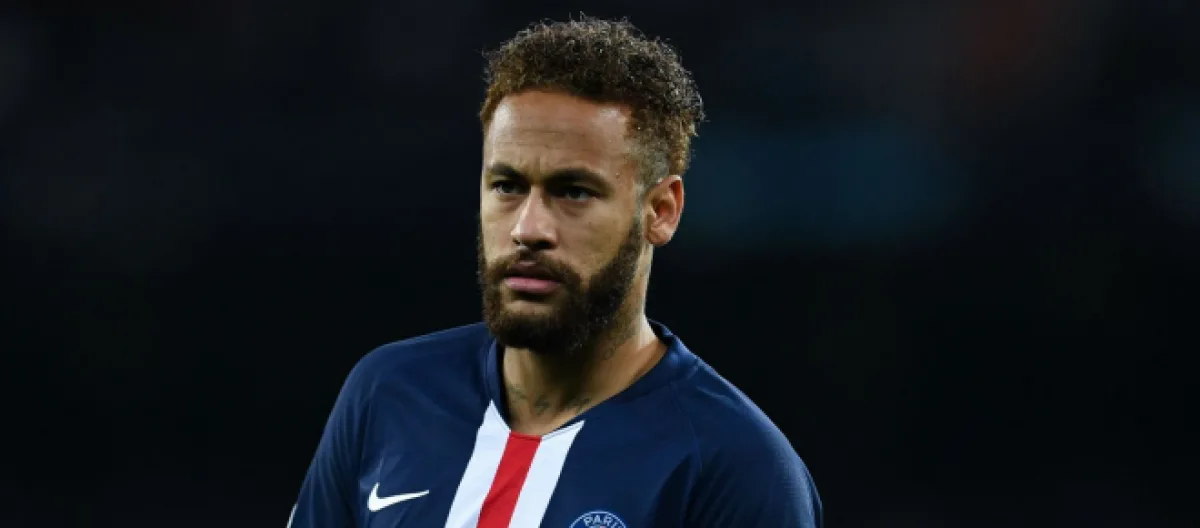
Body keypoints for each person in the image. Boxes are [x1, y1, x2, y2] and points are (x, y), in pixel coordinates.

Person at [289, 16, 822, 528]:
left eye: (574, 192)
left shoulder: (735, 469)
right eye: (507, 186)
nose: (528, 228)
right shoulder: (388, 394)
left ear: (661, 211)